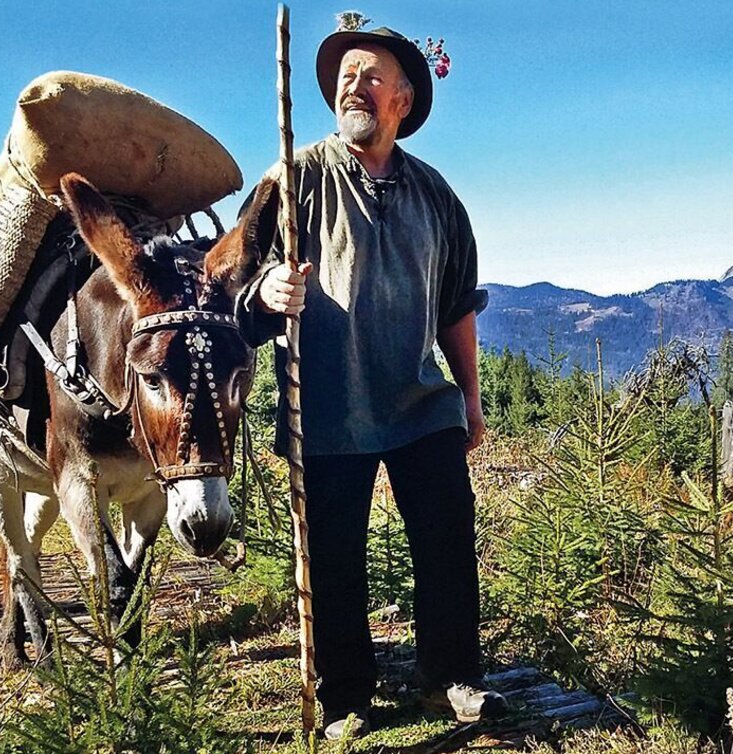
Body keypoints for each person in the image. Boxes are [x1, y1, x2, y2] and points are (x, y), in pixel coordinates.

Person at [238, 26, 504, 740]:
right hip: (327, 405)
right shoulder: (292, 179)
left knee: (446, 538)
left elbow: (456, 307)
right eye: (344, 77)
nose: (352, 86)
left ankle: (450, 679)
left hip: (421, 400)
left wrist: (469, 398)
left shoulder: (435, 195)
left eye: (370, 75)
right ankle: (346, 697)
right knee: (332, 557)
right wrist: (267, 292)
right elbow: (232, 283)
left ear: (403, 100)